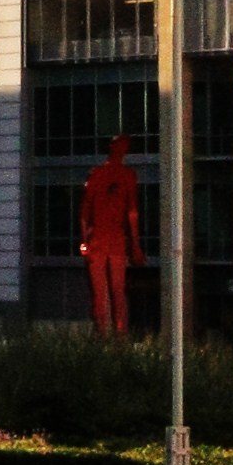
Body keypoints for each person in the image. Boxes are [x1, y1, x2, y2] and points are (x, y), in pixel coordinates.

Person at [80, 134, 145, 336]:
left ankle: (114, 335)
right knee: (108, 291)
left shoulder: (117, 175)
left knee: (113, 291)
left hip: (109, 240)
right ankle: (110, 334)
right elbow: (85, 213)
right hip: (105, 239)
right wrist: (85, 242)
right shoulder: (109, 174)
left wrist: (134, 244)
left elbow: (131, 212)